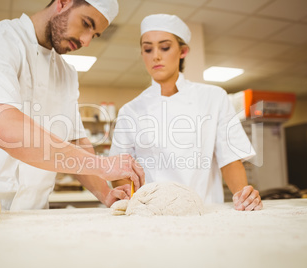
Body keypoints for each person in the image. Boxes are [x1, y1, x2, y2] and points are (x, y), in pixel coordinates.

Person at [0, 0, 145, 210]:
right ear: (63, 3)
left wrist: (106, 193)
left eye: (95, 35)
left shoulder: (67, 73)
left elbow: (77, 142)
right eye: (86, 23)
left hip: (32, 215)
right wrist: (103, 165)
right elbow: (3, 129)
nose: (86, 40)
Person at [109, 14, 262, 211]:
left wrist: (244, 198)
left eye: (164, 47)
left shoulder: (214, 98)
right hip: (151, 214)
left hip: (204, 211)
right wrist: (132, 202)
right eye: (148, 49)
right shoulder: (130, 110)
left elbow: (230, 159)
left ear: (183, 51)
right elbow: (120, 171)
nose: (155, 55)